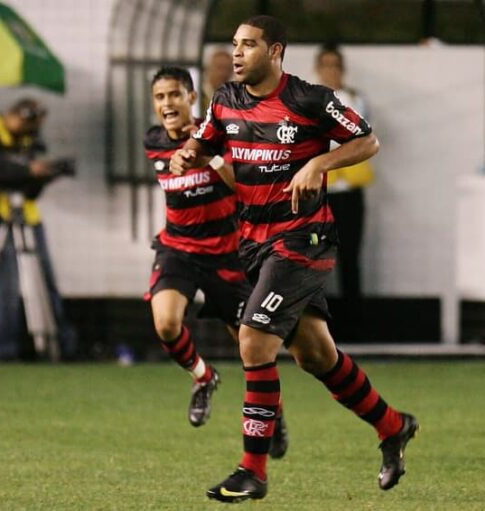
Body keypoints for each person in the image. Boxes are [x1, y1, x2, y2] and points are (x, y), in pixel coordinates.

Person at [170, 16, 418, 502]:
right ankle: (393, 426)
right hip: (255, 244)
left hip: (303, 239)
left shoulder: (310, 99)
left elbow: (368, 140)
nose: (237, 53)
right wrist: (190, 155)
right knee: (315, 355)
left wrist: (318, 162)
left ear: (276, 51)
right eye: (234, 45)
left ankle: (253, 470)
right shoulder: (225, 100)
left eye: (248, 45)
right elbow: (204, 142)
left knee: (255, 342)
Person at [143, 66, 287, 458]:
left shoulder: (220, 136)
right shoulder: (154, 142)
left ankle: (274, 413)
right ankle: (204, 378)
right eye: (160, 97)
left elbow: (244, 187)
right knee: (167, 323)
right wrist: (180, 159)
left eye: (175, 95)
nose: (167, 104)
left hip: (227, 254)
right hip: (179, 251)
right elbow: (171, 167)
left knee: (251, 346)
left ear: (192, 97)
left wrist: (205, 157)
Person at [0, 98, 76, 361]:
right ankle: (6, 351)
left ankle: (61, 347)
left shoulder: (28, 138)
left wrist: (44, 174)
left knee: (46, 280)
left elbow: (30, 186)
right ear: (18, 116)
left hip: (27, 217)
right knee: (8, 284)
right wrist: (27, 169)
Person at [315, 43, 374, 303]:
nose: (331, 71)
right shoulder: (309, 99)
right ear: (317, 69)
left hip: (350, 191)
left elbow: (360, 133)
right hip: (319, 193)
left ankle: (354, 323)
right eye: (325, 65)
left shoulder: (355, 99)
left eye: (335, 66)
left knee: (350, 257)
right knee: (315, 258)